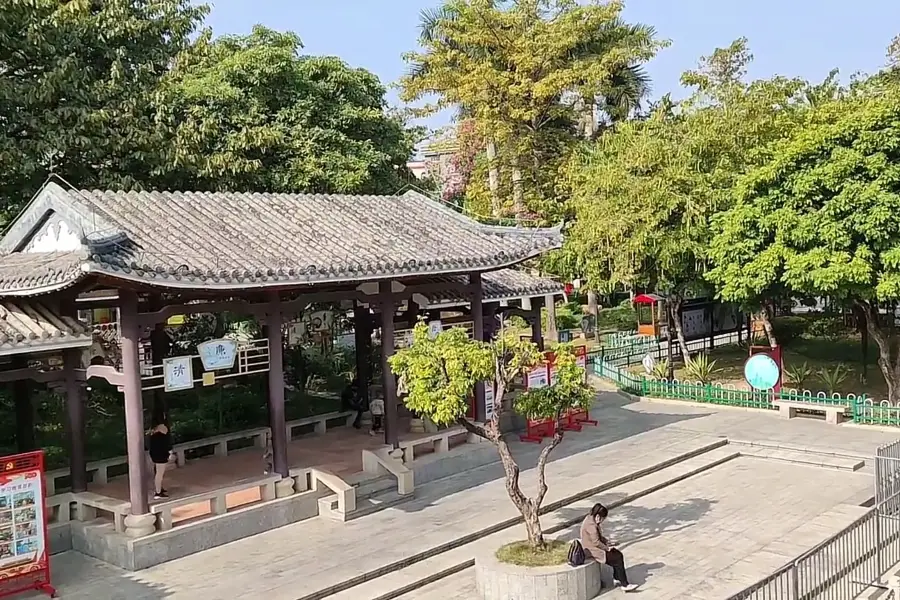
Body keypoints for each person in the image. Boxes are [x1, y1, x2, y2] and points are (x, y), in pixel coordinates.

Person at [580, 503, 637, 592]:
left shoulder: (590, 519)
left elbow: (599, 538)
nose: (602, 521)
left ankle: (617, 578)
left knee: (618, 554)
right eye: (603, 518)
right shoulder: (591, 526)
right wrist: (607, 548)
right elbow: (596, 542)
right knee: (617, 558)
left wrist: (608, 542)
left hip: (596, 547)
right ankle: (624, 584)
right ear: (598, 516)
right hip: (593, 550)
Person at [147, 420, 173, 499]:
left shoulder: (153, 435)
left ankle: (159, 489)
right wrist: (169, 453)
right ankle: (158, 492)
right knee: (159, 474)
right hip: (161, 456)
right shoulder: (162, 437)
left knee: (158, 473)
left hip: (156, 456)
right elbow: (167, 446)